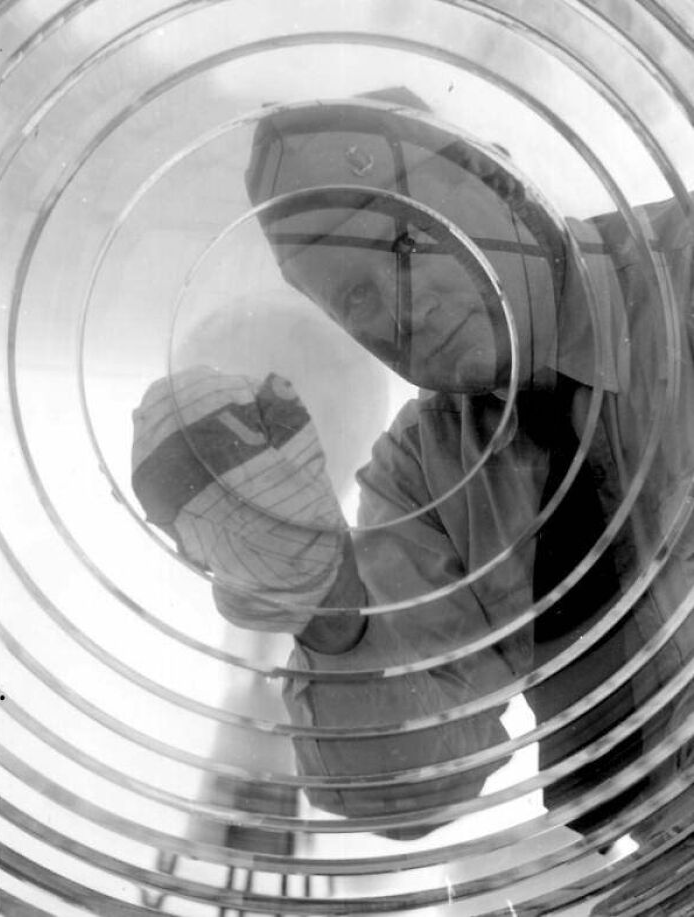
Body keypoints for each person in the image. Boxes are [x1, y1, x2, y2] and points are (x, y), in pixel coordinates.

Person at [132, 88, 694, 844]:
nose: (401, 309)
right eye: (355, 297)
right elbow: (415, 788)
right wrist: (324, 603)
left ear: (502, 182)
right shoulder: (423, 472)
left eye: (406, 243)